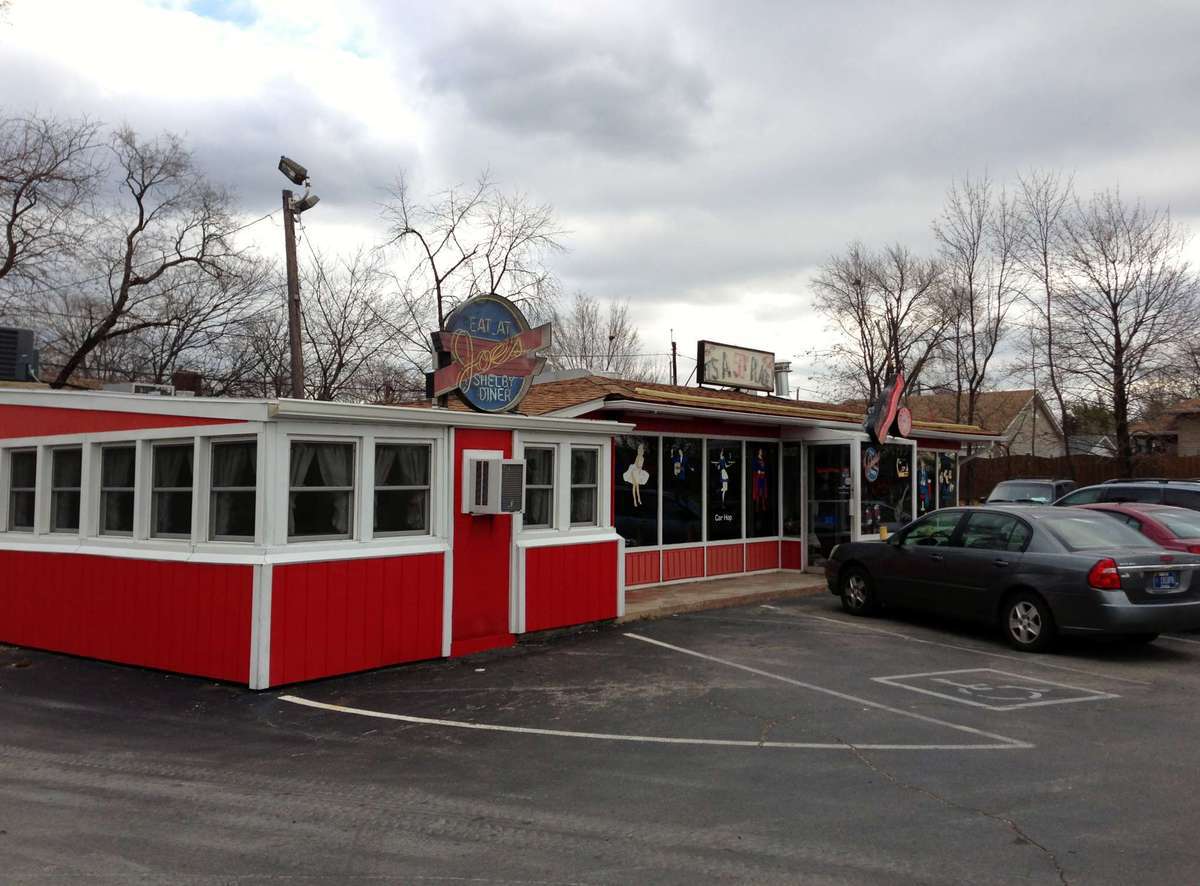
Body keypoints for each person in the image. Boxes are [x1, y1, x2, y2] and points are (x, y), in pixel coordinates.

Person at [622, 442, 650, 507]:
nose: (641, 451)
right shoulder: (638, 456)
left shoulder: (642, 458)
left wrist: (640, 470)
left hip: (638, 472)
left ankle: (639, 500)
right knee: (635, 486)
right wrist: (636, 468)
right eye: (640, 449)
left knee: (637, 487)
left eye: (642, 450)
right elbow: (635, 464)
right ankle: (635, 501)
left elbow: (641, 466)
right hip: (634, 472)